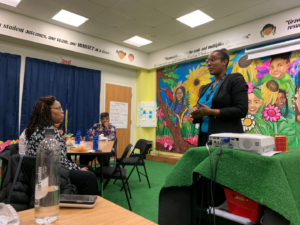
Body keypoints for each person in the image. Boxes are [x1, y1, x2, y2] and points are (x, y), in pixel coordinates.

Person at [25, 96, 98, 195]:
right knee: (90, 177)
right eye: (58, 108)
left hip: (51, 169)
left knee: (88, 169)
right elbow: (57, 161)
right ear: (47, 111)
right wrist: (77, 168)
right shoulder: (46, 131)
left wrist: (76, 168)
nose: (62, 111)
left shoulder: (44, 128)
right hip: (47, 174)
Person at [191, 48, 248, 146]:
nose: (209, 64)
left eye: (213, 60)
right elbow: (203, 111)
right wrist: (197, 113)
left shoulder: (234, 79)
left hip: (224, 138)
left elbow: (241, 110)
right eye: (207, 61)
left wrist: (212, 112)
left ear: (224, 62)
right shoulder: (204, 88)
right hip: (204, 135)